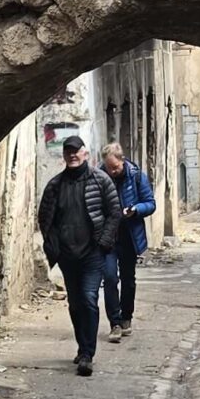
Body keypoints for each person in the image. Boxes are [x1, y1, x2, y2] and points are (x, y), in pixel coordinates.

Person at [38, 135, 121, 376]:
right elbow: (45, 218)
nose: (72, 155)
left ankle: (87, 353)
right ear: (64, 156)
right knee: (75, 304)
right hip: (67, 255)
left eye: (76, 151)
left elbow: (114, 213)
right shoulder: (55, 185)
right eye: (68, 152)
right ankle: (82, 344)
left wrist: (104, 243)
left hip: (92, 253)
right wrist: (53, 245)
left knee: (88, 298)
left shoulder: (101, 180)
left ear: (85, 153)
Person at [100, 141, 156, 341]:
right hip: (108, 237)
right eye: (109, 168)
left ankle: (126, 318)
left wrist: (135, 210)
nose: (112, 172)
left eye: (115, 167)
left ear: (122, 161)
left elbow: (150, 204)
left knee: (128, 280)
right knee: (109, 278)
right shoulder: (98, 177)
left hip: (129, 237)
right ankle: (114, 323)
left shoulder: (136, 176)